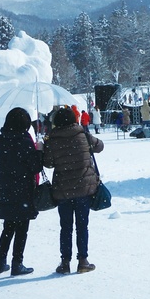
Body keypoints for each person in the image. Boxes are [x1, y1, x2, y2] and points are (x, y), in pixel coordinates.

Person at [43, 106, 104, 275]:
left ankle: (65, 262)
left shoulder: (52, 140)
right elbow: (100, 147)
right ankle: (83, 261)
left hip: (63, 190)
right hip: (84, 188)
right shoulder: (83, 135)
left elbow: (48, 163)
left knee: (66, 227)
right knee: (82, 226)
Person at [0, 107, 43, 276]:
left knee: (8, 227)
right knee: (21, 228)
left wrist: (6, 170)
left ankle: (0, 261)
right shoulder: (25, 141)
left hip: (5, 189)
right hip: (23, 191)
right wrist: (39, 151)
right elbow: (36, 167)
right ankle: (17, 263)